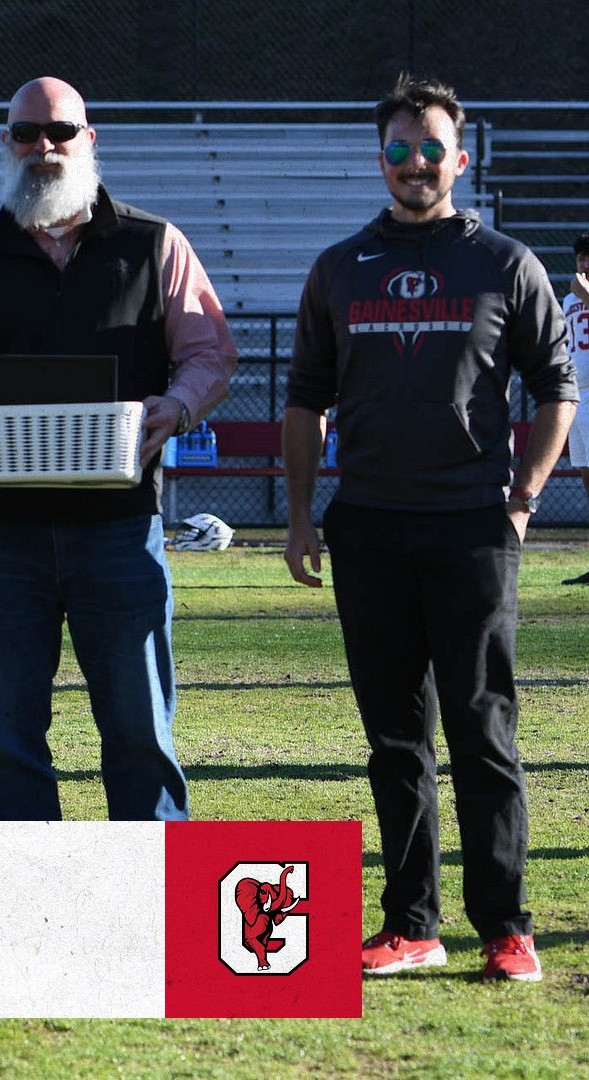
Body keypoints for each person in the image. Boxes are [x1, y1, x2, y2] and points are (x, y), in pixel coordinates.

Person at [282, 76, 578, 983]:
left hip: (471, 528)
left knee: (483, 732)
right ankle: (411, 922)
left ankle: (506, 927)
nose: (416, 165)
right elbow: (304, 399)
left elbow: (556, 388)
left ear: (461, 156)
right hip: (368, 525)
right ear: (383, 160)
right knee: (394, 741)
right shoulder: (341, 266)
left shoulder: (505, 262)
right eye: (400, 151)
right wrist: (298, 515)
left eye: (431, 149)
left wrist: (522, 497)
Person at [0, 77, 237, 823]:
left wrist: (176, 406)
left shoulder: (154, 244)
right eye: (25, 133)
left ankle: (151, 911)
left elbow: (211, 354)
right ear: (6, 144)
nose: (43, 147)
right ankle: (33, 918)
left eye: (59, 131)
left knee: (142, 735)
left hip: (120, 530)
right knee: (8, 744)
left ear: (89, 138)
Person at [561, 234, 589, 584]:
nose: (585, 265)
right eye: (582, 258)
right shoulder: (569, 299)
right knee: (587, 480)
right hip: (578, 396)